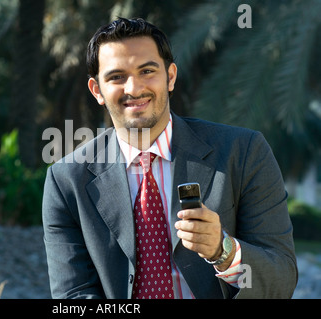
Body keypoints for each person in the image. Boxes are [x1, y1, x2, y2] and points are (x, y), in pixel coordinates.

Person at [42, 17, 297, 299]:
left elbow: (281, 278)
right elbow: (73, 296)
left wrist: (222, 250)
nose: (134, 89)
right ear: (96, 90)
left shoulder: (244, 152)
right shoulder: (67, 181)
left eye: (147, 71)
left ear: (171, 76)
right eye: (117, 77)